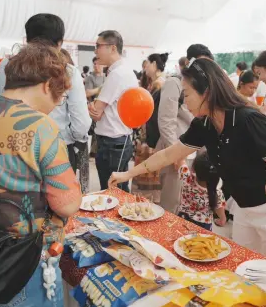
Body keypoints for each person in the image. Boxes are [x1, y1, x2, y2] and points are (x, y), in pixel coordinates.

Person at [110, 58, 266, 269]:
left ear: (206, 92)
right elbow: (167, 155)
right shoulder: (204, 124)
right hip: (243, 211)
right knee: (247, 274)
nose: (184, 102)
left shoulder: (248, 120)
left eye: (186, 94)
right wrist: (127, 174)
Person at [0, 42, 81, 307]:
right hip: (25, 264)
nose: (57, 104)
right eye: (59, 95)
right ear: (46, 85)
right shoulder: (40, 125)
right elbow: (67, 203)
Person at [0, 13, 91, 173]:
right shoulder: (68, 71)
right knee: (58, 195)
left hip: (12, 146)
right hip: (57, 148)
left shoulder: (7, 64)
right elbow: (81, 124)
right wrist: (64, 137)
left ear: (27, 39)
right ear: (59, 43)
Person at [156, 47, 210, 214]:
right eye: (199, 63)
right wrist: (176, 155)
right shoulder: (175, 83)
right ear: (189, 62)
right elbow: (166, 120)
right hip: (177, 150)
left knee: (188, 202)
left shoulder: (203, 86)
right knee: (172, 203)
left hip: (195, 153)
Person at [88, 30, 138, 192]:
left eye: (98, 46)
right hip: (118, 141)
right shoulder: (122, 71)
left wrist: (94, 106)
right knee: (119, 191)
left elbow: (96, 110)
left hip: (112, 143)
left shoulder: (117, 74)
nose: (95, 51)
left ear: (112, 48)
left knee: (112, 193)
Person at [131, 52, 168, 202]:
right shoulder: (156, 82)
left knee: (147, 180)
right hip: (149, 136)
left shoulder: (159, 84)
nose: (145, 67)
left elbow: (154, 114)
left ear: (154, 64)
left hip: (152, 138)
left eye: (147, 63)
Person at [61, 48, 90, 193]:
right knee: (63, 198)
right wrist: (73, 136)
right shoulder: (70, 72)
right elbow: (82, 123)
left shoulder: (16, 67)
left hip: (29, 145)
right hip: (63, 146)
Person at [177, 152, 227, 230]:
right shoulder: (217, 193)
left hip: (183, 218)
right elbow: (219, 208)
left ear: (193, 168)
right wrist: (222, 220)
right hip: (204, 225)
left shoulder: (187, 178)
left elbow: (180, 160)